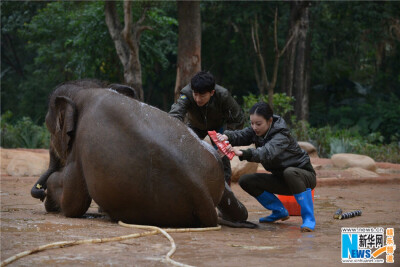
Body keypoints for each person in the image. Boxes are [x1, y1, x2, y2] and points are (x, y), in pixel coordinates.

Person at [217, 102, 316, 232]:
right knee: (246, 180)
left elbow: (267, 153)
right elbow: (242, 135)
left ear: (269, 121)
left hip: (303, 177)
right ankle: (279, 211)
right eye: (252, 123)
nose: (254, 127)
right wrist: (226, 136)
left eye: (258, 124)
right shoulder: (256, 131)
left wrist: (242, 153)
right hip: (282, 179)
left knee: (290, 172)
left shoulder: (282, 135)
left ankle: (309, 218)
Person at [169, 71, 245, 185]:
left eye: (202, 95)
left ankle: (226, 190)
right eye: (196, 94)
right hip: (195, 126)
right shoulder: (186, 93)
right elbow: (175, 114)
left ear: (212, 92)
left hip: (218, 127)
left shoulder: (223, 95)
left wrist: (228, 138)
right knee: (185, 151)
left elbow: (238, 118)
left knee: (222, 156)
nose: (198, 99)